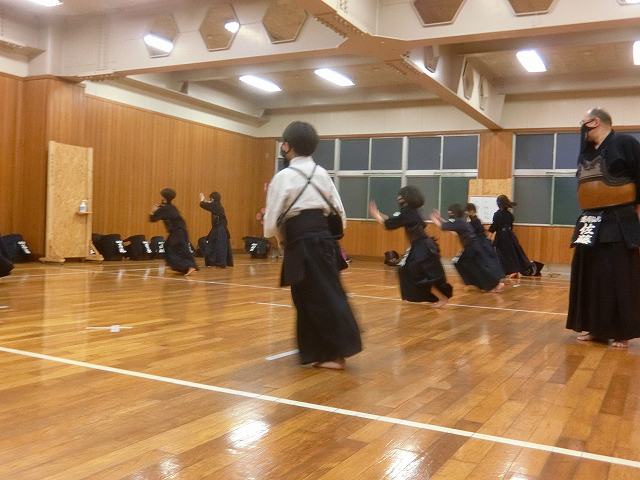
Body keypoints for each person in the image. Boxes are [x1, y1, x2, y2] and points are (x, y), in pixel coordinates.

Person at [264, 121, 361, 370]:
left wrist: (280, 239)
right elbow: (339, 212)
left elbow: (271, 222)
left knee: (314, 297)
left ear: (287, 146)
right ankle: (322, 352)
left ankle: (335, 353)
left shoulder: (283, 177)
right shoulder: (321, 173)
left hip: (301, 242)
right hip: (325, 240)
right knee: (320, 294)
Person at [566, 108, 640, 348]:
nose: (581, 128)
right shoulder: (586, 152)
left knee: (616, 274)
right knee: (588, 274)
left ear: (594, 122)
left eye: (583, 122)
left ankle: (620, 331)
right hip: (590, 220)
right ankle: (595, 328)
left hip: (619, 218)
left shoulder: (624, 143)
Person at [369, 186, 452, 307]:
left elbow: (389, 225)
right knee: (407, 271)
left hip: (421, 246)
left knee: (419, 274)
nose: (398, 198)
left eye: (401, 196)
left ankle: (441, 297)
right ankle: (426, 296)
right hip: (422, 245)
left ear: (407, 198)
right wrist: (378, 214)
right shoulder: (413, 211)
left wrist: (376, 214)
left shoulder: (407, 212)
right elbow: (394, 220)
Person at [431, 204, 504, 293]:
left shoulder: (459, 222)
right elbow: (448, 225)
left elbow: (443, 227)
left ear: (455, 213)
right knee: (470, 266)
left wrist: (435, 219)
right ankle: (480, 284)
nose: (449, 214)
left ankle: (492, 284)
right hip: (473, 246)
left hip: (472, 247)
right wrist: (439, 218)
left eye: (450, 213)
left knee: (471, 266)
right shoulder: (460, 221)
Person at [150, 188, 198, 276]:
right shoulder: (171, 207)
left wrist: (153, 211)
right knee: (171, 247)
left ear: (164, 197)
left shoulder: (165, 208)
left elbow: (152, 219)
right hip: (180, 230)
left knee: (175, 248)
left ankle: (189, 266)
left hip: (177, 231)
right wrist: (160, 208)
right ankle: (180, 267)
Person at [489, 195, 533, 279]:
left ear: (498, 204)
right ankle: (514, 271)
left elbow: (494, 226)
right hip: (510, 236)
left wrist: (489, 237)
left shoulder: (497, 214)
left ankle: (510, 271)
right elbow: (510, 227)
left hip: (502, 237)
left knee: (502, 254)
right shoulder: (509, 215)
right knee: (512, 254)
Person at [199, 191, 233, 268]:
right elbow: (209, 203)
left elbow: (202, 204)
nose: (210, 200)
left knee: (219, 245)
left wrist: (202, 199)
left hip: (220, 228)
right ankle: (214, 262)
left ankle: (220, 263)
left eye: (210, 199)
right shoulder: (217, 205)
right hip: (218, 228)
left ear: (213, 199)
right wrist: (205, 200)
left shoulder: (215, 205)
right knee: (212, 244)